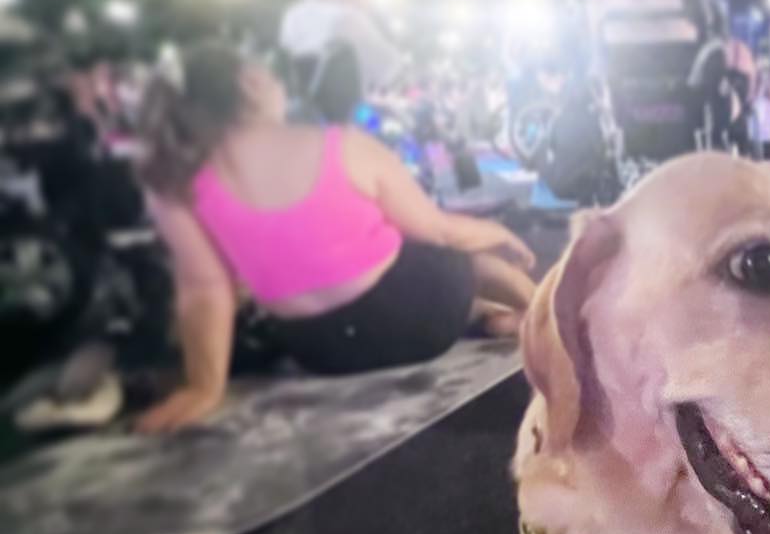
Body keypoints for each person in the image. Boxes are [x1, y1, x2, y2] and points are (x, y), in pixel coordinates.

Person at [134, 42, 536, 432]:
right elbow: (440, 230)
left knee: (410, 277)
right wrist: (497, 232)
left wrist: (204, 387)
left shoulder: (175, 185)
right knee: (465, 261)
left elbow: (205, 292)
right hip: (422, 320)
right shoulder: (341, 145)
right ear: (251, 82)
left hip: (321, 350)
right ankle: (537, 311)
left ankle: (487, 315)